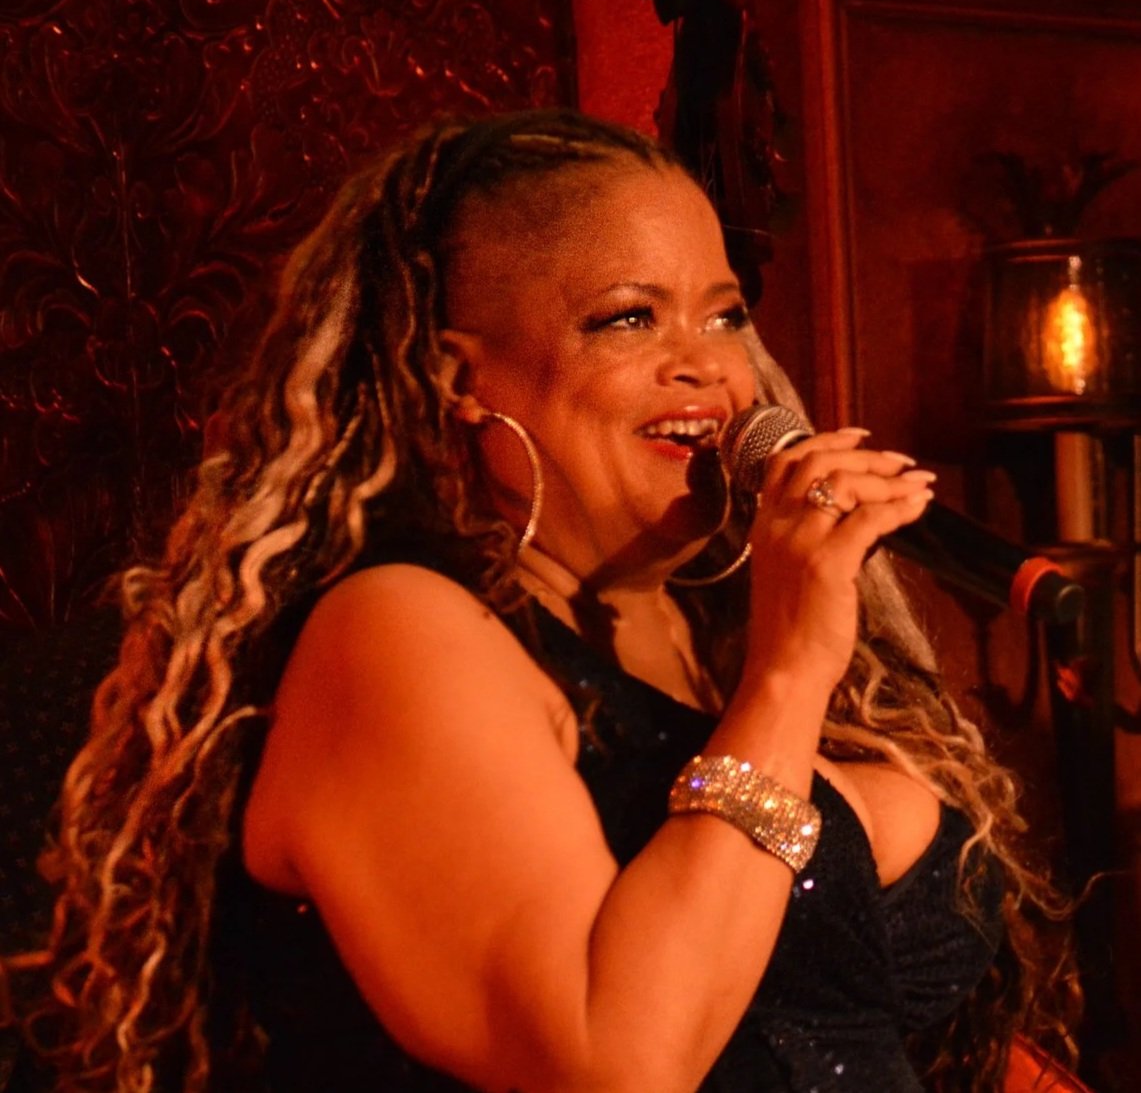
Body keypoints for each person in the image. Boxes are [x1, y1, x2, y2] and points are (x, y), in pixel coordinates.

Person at [2, 108, 1078, 1092]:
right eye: (627, 320)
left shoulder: (705, 629)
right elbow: (612, 1059)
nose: (705, 368)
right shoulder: (395, 636)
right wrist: (789, 670)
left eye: (724, 315)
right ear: (455, 374)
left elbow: (841, 1018)